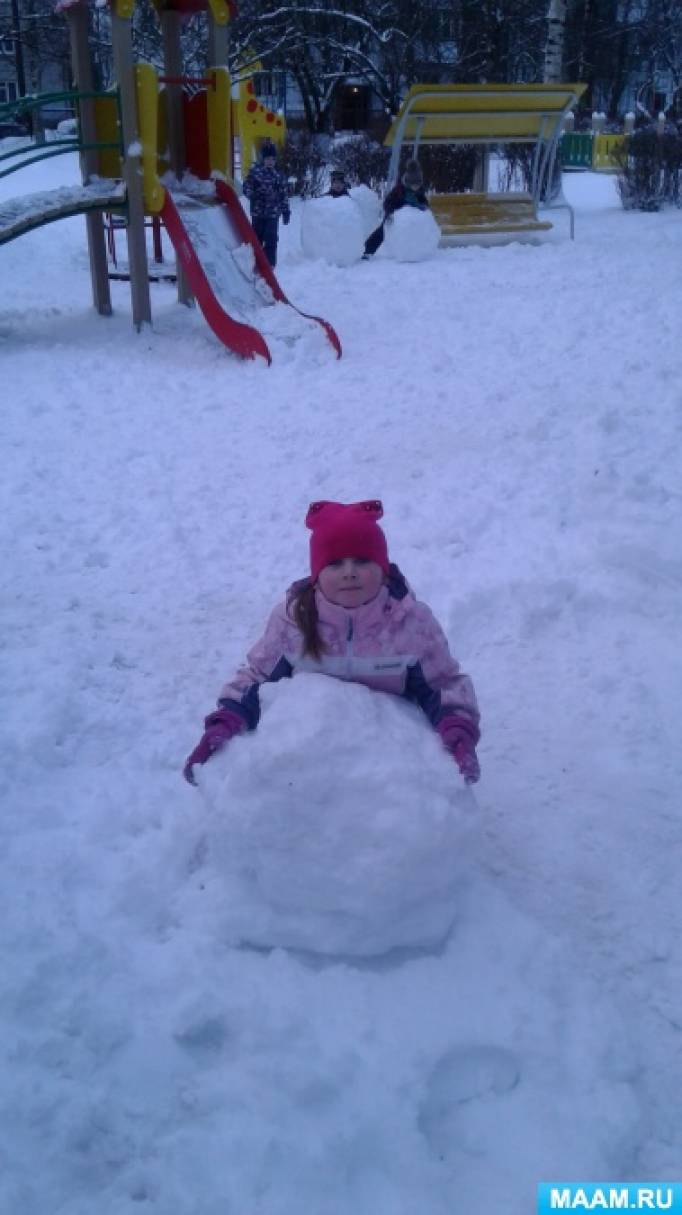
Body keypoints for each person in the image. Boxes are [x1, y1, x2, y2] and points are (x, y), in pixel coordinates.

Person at [183, 500, 481, 787]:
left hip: (391, 762)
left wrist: (456, 731)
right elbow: (258, 679)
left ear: (383, 569)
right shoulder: (293, 623)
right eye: (335, 563)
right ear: (317, 575)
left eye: (362, 561)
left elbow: (442, 684)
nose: (349, 572)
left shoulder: (410, 624)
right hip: (305, 761)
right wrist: (226, 722)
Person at [363, 158, 429, 257]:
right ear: (408, 182)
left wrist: (422, 207)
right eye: (413, 184)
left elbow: (425, 203)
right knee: (381, 232)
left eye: (418, 184)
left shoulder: (420, 192)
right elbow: (387, 202)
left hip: (410, 221)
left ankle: (414, 251)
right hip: (394, 217)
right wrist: (391, 212)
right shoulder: (399, 190)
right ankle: (367, 250)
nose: (415, 187)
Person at [242, 139, 290, 268]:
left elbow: (283, 194)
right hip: (257, 212)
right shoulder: (255, 173)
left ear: (275, 160)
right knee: (256, 238)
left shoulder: (278, 176)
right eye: (267, 158)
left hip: (273, 214)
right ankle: (255, 262)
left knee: (271, 238)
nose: (270, 161)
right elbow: (246, 187)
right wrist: (251, 193)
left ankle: (270, 264)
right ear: (263, 159)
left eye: (272, 159)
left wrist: (286, 211)